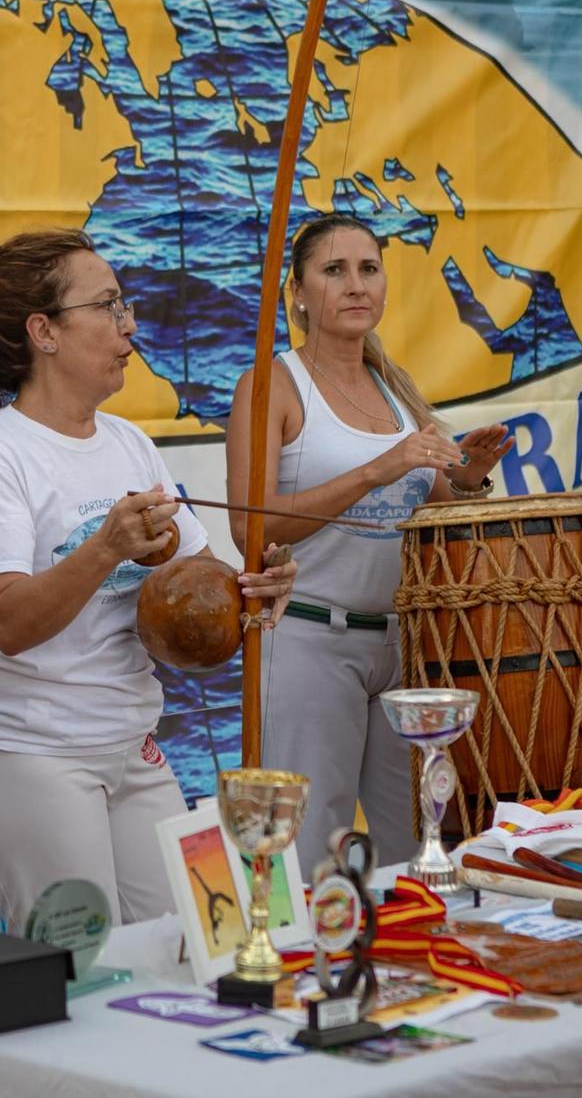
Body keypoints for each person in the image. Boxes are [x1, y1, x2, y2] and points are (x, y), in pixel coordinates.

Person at [0, 228, 297, 932]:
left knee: (203, 939)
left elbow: (196, 580)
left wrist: (250, 593)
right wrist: (106, 546)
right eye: (109, 306)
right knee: (85, 980)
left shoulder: (128, 441)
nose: (130, 326)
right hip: (30, 757)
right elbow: (11, 624)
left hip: (133, 743)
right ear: (44, 332)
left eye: (126, 304)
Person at [225, 213, 508, 863]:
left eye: (368, 269)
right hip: (305, 640)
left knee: (416, 843)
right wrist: (380, 467)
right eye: (334, 270)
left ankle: (395, 964)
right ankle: (292, 964)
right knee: (299, 851)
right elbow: (251, 523)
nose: (355, 284)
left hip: (402, 647)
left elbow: (430, 508)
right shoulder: (271, 385)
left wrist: (467, 478)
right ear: (296, 292)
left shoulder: (396, 389)